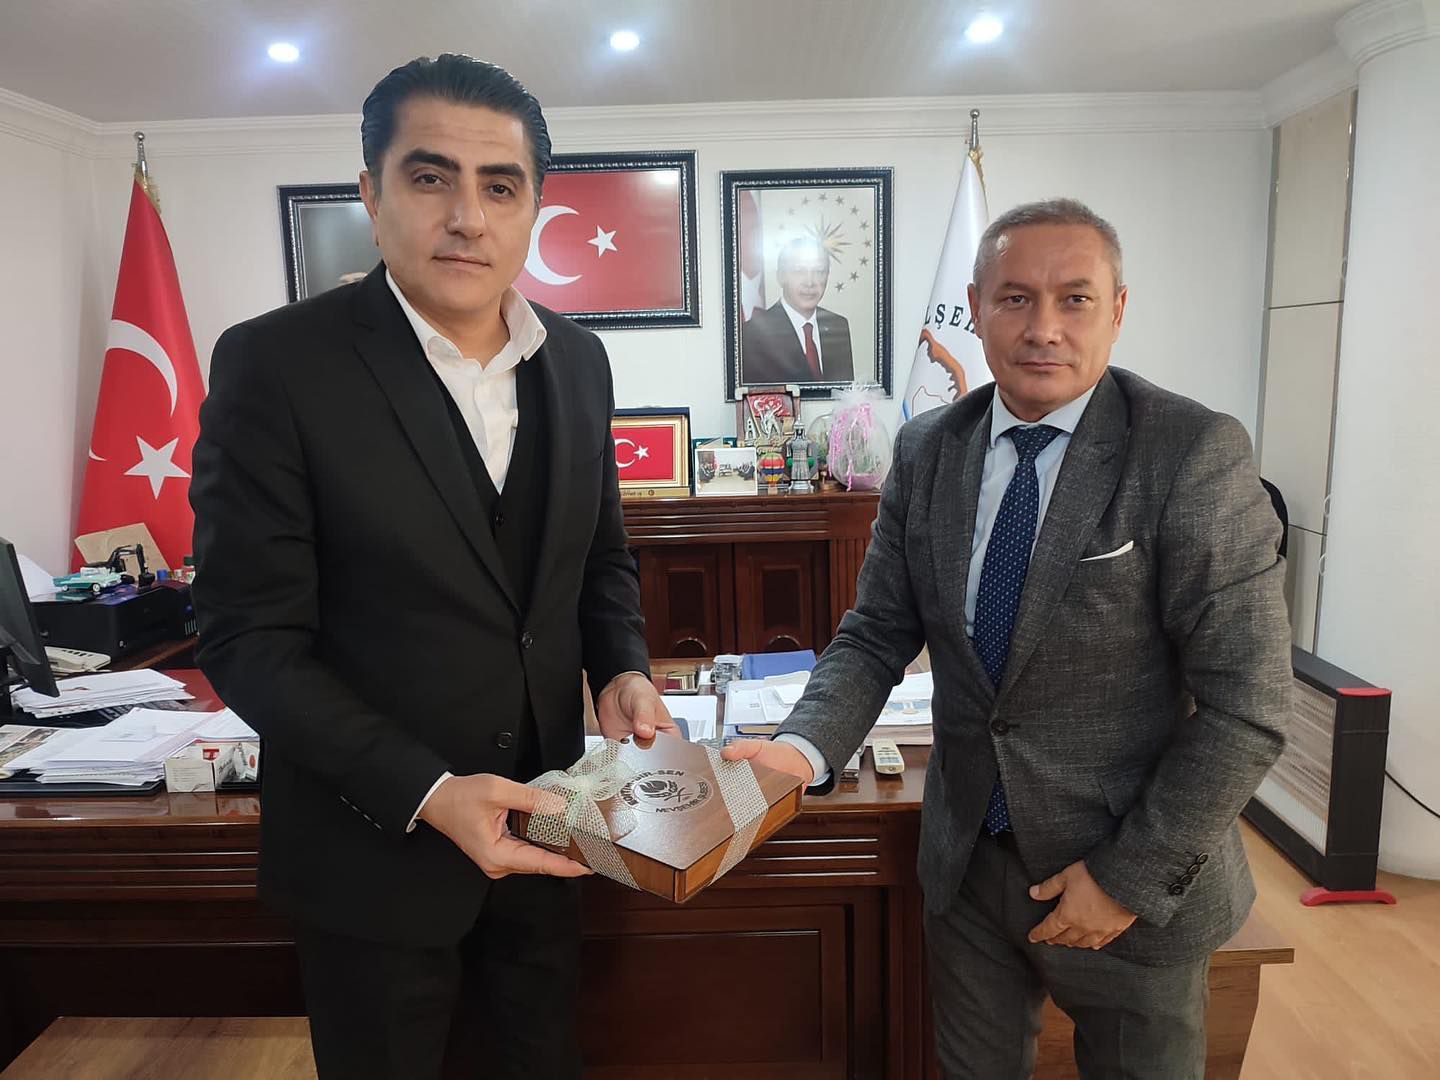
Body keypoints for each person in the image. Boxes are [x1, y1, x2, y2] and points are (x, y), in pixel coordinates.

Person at [725, 198, 1292, 1078]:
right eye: (1016, 298)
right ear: (976, 307)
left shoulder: (1189, 452)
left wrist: (1125, 880)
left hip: (1124, 871)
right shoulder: (928, 449)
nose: (1043, 328)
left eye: (1075, 299)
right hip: (968, 868)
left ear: (1117, 310)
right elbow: (876, 632)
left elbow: (1247, 706)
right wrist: (802, 749)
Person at [190, 54, 675, 1080]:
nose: (467, 217)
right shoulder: (277, 365)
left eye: (500, 186)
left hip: (549, 841)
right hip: (372, 862)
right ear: (371, 195)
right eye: (429, 177)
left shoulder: (578, 361)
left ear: (535, 207)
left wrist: (622, 665)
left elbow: (599, 558)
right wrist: (429, 790)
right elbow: (249, 641)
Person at [740, 236, 854, 385]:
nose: (810, 282)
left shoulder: (838, 325)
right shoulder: (753, 334)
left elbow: (845, 393)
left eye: (819, 272)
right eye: (799, 271)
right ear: (781, 276)